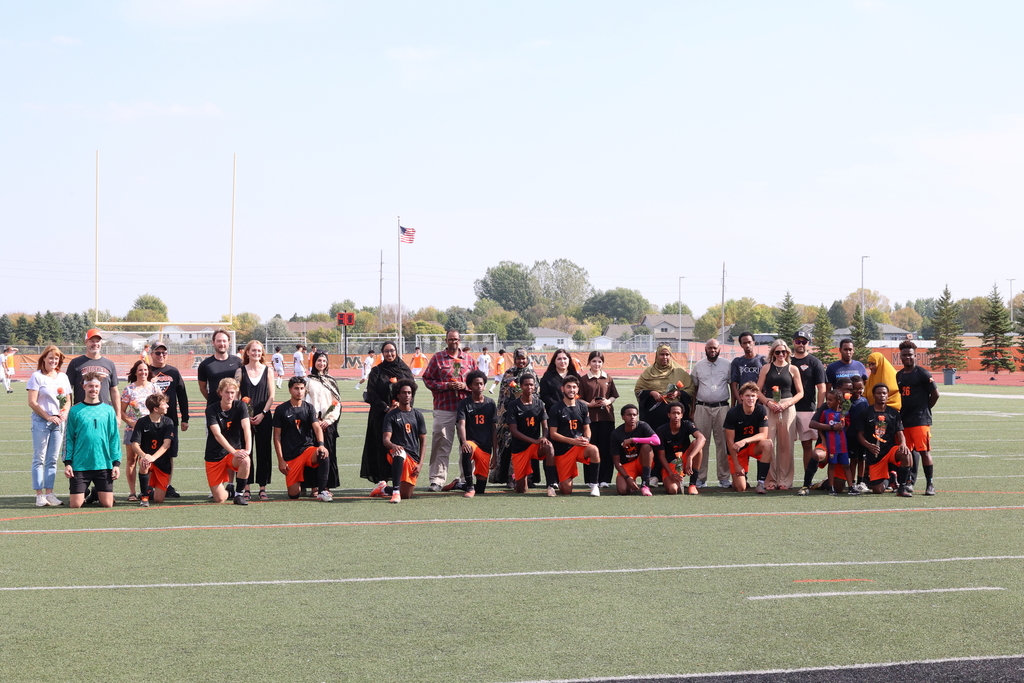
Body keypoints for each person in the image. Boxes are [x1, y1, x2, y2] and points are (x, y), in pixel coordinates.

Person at [422, 329, 477, 491]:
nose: (454, 342)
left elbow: (478, 382)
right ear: (446, 340)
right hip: (444, 407)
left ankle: (467, 478)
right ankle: (437, 480)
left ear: (460, 340)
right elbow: (427, 379)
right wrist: (446, 385)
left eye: (456, 339)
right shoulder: (438, 358)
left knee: (468, 444)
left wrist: (465, 386)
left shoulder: (469, 359)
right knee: (441, 444)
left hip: (466, 409)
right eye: (451, 339)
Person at [634, 344, 694, 484]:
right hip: (653, 420)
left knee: (674, 446)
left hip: (674, 420)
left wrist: (678, 393)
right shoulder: (648, 372)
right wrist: (651, 392)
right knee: (655, 445)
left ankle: (676, 473)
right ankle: (654, 475)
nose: (664, 357)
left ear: (671, 356)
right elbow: (638, 390)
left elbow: (691, 390)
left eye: (667, 354)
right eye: (662, 354)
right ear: (657, 356)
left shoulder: (680, 372)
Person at [359, 341, 413, 485]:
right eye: (386, 351)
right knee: (380, 447)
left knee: (400, 446)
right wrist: (386, 407)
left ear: (396, 352)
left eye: (392, 350)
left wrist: (400, 404)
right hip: (380, 416)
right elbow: (371, 393)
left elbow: (411, 390)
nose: (390, 354)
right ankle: (382, 481)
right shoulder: (377, 371)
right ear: (382, 353)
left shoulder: (404, 370)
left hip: (400, 416)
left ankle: (400, 480)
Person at [64, 373, 121, 508]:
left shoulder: (108, 410)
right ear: (84, 387)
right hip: (80, 464)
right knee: (75, 505)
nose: (93, 389)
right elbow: (69, 438)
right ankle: (84, 491)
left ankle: (96, 492)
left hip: (103, 463)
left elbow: (114, 438)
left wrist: (116, 463)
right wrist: (68, 463)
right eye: (90, 386)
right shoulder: (75, 410)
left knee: (107, 504)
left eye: (96, 386)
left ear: (100, 387)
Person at [27, 345, 72, 506]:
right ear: (44, 358)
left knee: (52, 459)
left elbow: (68, 399)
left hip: (58, 422)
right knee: (39, 458)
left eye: (56, 358)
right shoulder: (37, 376)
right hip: (41, 421)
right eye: (51, 357)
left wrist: (64, 412)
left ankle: (50, 493)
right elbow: (32, 402)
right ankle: (39, 495)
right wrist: (47, 416)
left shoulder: (63, 377)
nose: (53, 361)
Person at [756, 339, 804, 490]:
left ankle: (784, 480)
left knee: (786, 445)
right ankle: (770, 480)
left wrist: (786, 404)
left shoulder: (793, 369)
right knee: (768, 443)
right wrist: (768, 402)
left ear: (787, 353)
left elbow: (800, 393)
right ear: (773, 353)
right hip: (769, 407)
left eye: (783, 351)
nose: (781, 354)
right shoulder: (766, 368)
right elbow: (757, 390)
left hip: (787, 407)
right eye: (778, 352)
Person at [274, 377, 331, 501]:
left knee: (323, 454)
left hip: (307, 450)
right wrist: (281, 460)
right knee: (294, 495)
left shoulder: (309, 407)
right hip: (291, 456)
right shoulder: (281, 409)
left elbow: (317, 428)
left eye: (301, 388)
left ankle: (322, 491)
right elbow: (276, 436)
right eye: (296, 388)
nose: (299, 391)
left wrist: (321, 445)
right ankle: (303, 484)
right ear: (290, 390)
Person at [896, 340, 940, 496]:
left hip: (920, 420)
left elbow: (935, 394)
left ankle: (930, 484)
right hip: (905, 420)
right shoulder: (899, 375)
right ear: (900, 357)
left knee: (924, 452)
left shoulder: (923, 373)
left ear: (915, 356)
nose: (907, 357)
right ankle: (907, 483)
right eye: (904, 355)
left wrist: (925, 409)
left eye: (910, 355)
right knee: (906, 453)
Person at [235, 340, 276, 501]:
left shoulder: (268, 371)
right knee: (246, 452)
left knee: (264, 451)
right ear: (247, 352)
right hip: (244, 418)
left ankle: (262, 487)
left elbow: (271, 396)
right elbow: (236, 395)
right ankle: (246, 487)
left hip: (264, 417)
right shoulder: (240, 371)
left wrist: (263, 413)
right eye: (253, 350)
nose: (256, 353)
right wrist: (244, 413)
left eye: (259, 351)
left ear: (262, 353)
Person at [547, 375, 602, 496]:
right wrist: (572, 441)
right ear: (562, 389)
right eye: (568, 387)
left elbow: (587, 429)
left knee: (594, 450)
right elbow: (553, 434)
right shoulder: (555, 408)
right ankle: (561, 478)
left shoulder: (582, 406)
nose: (571, 390)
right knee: (566, 491)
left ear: (578, 389)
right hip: (563, 450)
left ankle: (594, 485)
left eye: (574, 387)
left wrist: (586, 439)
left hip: (578, 446)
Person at [855, 383, 913, 496]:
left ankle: (902, 488)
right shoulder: (866, 412)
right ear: (873, 395)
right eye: (879, 393)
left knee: (906, 453)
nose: (882, 395)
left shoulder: (893, 413)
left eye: (884, 393)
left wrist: (903, 444)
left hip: (890, 450)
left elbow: (900, 432)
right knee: (878, 490)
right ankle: (891, 478)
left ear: (887, 395)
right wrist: (868, 445)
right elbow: (859, 435)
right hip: (875, 454)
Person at [148, 342, 189, 499]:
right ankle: (148, 486)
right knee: (148, 453)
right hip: (150, 420)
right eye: (157, 352)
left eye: (164, 353)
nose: (161, 355)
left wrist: (185, 418)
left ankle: (166, 485)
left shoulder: (173, 371)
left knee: (169, 453)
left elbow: (182, 395)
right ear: (151, 354)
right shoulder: (146, 370)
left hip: (170, 420)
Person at [375, 379, 427, 503]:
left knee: (407, 495)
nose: (406, 395)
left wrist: (420, 464)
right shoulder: (391, 415)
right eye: (403, 392)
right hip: (395, 453)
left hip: (413, 457)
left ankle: (384, 488)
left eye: (409, 393)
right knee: (400, 452)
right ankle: (395, 493)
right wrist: (393, 446)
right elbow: (385, 439)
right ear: (398, 395)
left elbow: (423, 442)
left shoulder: (418, 415)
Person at [505, 373, 556, 494]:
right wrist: (535, 441)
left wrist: (544, 437)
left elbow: (545, 425)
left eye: (531, 385)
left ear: (535, 386)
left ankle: (551, 485)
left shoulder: (539, 403)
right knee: (522, 490)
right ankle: (518, 479)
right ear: (521, 386)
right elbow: (514, 431)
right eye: (526, 385)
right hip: (520, 448)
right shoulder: (513, 405)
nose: (529, 387)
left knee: (549, 447)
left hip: (534, 446)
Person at [690, 338, 732, 489]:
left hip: (722, 407)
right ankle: (700, 477)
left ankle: (724, 477)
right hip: (702, 408)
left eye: (715, 348)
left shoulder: (727, 364)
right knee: (702, 443)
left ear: (719, 349)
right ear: (705, 349)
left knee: (723, 443)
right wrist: (692, 409)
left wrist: (733, 408)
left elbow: (733, 385)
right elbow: (694, 388)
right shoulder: (698, 365)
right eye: (710, 348)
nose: (712, 350)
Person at [490, 348, 534, 486]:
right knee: (509, 445)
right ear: (514, 359)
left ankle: (527, 477)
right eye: (518, 358)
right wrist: (501, 415)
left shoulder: (531, 373)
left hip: (527, 416)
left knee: (527, 446)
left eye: (523, 358)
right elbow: (503, 396)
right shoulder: (509, 373)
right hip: (510, 416)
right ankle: (510, 477)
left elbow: (536, 395)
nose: (521, 361)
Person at [204, 377, 251, 505]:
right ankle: (229, 493)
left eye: (232, 392)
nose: (230, 395)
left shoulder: (240, 405)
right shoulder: (211, 409)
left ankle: (238, 494)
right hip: (215, 455)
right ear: (220, 392)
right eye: (226, 392)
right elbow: (217, 434)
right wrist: (234, 452)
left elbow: (246, 428)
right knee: (220, 499)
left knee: (245, 460)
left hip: (232, 453)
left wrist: (248, 449)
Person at [790, 332, 828, 488]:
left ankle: (807, 480)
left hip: (806, 409)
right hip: (787, 408)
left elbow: (822, 387)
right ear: (793, 342)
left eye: (804, 342)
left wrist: (819, 409)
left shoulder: (814, 362)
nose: (801, 344)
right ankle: (784, 480)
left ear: (808, 343)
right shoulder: (787, 360)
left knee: (807, 445)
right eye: (798, 341)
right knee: (785, 446)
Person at [120, 360, 161, 501]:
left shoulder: (155, 388)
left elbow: (161, 406)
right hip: (132, 430)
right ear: (135, 372)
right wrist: (130, 422)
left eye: (145, 370)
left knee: (148, 460)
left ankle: (146, 489)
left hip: (151, 430)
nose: (143, 372)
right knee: (131, 460)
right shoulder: (129, 389)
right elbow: (121, 410)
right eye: (140, 370)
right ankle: (132, 492)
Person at [577, 350, 619, 488]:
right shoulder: (583, 379)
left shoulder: (608, 378)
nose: (597, 364)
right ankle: (591, 479)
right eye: (594, 361)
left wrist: (608, 401)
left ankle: (605, 479)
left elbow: (613, 396)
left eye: (599, 361)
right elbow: (578, 398)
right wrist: (589, 405)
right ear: (589, 362)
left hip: (607, 418)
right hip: (589, 419)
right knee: (590, 448)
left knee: (606, 449)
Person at [805, 389, 858, 496]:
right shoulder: (825, 413)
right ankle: (831, 487)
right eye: (827, 399)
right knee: (832, 465)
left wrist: (842, 430)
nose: (827, 402)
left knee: (846, 465)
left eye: (830, 400)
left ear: (838, 401)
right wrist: (824, 439)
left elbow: (847, 426)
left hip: (842, 445)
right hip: (832, 445)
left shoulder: (844, 413)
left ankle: (851, 487)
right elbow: (819, 426)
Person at [723, 382, 773, 493]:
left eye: (753, 396)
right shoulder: (733, 413)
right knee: (740, 488)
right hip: (737, 449)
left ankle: (761, 483)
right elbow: (729, 441)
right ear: (741, 397)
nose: (750, 398)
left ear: (757, 397)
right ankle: (740, 478)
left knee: (768, 443)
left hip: (752, 446)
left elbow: (764, 434)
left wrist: (745, 441)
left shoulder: (761, 410)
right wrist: (736, 464)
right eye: (747, 396)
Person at [305, 350, 342, 498]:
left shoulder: (331, 381)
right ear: (314, 362)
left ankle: (325, 485)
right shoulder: (308, 380)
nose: (322, 363)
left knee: (328, 454)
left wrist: (328, 420)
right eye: (319, 360)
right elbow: (304, 401)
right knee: (313, 454)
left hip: (327, 424)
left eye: (324, 361)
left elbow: (337, 403)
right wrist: (313, 419)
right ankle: (314, 486)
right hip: (311, 424)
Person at [454, 370, 497, 497]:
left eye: (481, 384)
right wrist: (464, 441)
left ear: (484, 385)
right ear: (470, 386)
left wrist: (495, 454)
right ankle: (469, 487)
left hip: (485, 446)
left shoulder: (490, 403)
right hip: (472, 442)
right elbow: (461, 424)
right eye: (476, 384)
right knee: (467, 449)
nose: (479, 386)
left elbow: (494, 428)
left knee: (481, 489)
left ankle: (458, 484)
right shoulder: (464, 403)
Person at [66, 329, 120, 424]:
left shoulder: (109, 364)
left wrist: (118, 415)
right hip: (81, 413)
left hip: (103, 413)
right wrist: (68, 411)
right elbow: (68, 390)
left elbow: (114, 391)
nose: (95, 344)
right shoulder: (75, 363)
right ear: (86, 342)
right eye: (92, 341)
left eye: (97, 341)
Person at [129, 393, 175, 506]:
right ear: (155, 409)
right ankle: (144, 496)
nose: (167, 406)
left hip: (162, 461)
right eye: (164, 404)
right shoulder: (142, 422)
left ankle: (149, 490)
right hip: (147, 458)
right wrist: (144, 456)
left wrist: (153, 457)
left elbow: (167, 444)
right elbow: (135, 444)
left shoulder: (168, 422)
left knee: (159, 500)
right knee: (144, 463)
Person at [609, 404, 661, 496]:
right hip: (628, 464)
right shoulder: (616, 434)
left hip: (643, 462)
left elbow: (657, 441)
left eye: (634, 415)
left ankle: (645, 485)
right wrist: (627, 478)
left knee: (646, 446)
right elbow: (617, 462)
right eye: (629, 415)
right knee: (622, 490)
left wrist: (633, 440)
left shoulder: (642, 426)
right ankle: (632, 481)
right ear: (623, 417)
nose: (632, 417)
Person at [655, 401, 705, 495]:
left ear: (682, 415)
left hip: (685, 460)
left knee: (696, 444)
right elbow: (661, 456)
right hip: (670, 464)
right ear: (669, 415)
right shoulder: (661, 430)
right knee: (673, 490)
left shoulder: (687, 424)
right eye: (673, 413)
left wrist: (690, 458)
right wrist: (670, 473)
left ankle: (692, 485)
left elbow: (702, 438)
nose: (676, 416)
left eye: (678, 413)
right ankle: (675, 479)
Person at [197, 329, 242, 404]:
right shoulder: (205, 364)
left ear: (229, 342)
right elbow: (202, 387)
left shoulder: (238, 362)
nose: (222, 343)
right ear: (213, 342)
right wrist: (212, 400)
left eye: (224, 341)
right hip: (214, 406)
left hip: (234, 407)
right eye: (219, 341)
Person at [539, 348, 580, 413]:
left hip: (573, 412)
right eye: (559, 359)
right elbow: (544, 396)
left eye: (565, 358)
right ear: (554, 361)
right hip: (554, 412)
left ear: (569, 360)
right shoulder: (547, 376)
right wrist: (559, 406)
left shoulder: (575, 376)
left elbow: (581, 394)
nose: (562, 361)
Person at [730, 332, 765, 405]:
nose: (747, 345)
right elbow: (734, 385)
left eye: (749, 342)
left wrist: (760, 402)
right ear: (741, 345)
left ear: (753, 343)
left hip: (759, 402)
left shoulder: (763, 360)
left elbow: (767, 383)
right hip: (743, 401)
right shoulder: (737, 362)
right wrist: (740, 402)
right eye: (744, 343)